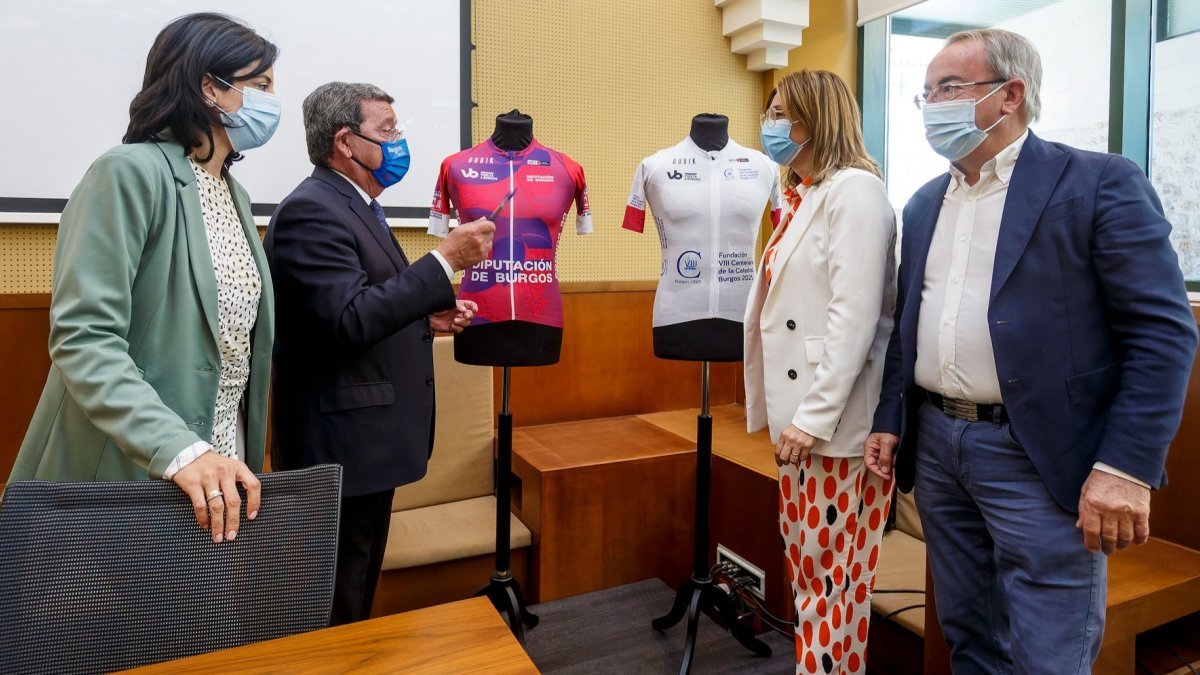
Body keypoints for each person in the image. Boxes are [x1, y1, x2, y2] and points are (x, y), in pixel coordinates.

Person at [864, 29, 1197, 673]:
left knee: (1047, 651)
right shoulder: (925, 202)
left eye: (948, 89)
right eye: (924, 93)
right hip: (936, 446)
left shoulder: (1097, 182)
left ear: (1010, 93)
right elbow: (911, 320)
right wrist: (890, 418)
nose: (932, 105)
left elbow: (1163, 332)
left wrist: (1125, 468)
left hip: (1039, 453)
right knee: (969, 636)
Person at [10, 13, 280, 546]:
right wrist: (182, 450)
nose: (273, 103)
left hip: (218, 476)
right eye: (262, 86)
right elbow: (84, 339)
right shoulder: (128, 172)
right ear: (210, 88)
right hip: (136, 471)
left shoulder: (235, 194)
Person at [265, 82, 494, 625]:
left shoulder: (357, 205)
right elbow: (348, 321)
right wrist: (443, 261)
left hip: (368, 444)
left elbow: (357, 308)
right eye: (387, 132)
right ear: (346, 142)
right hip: (343, 445)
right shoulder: (311, 210)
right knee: (336, 601)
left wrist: (426, 315)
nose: (399, 143)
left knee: (358, 586)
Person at [743, 70, 897, 675]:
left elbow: (854, 318)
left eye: (782, 113)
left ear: (816, 119)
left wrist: (811, 419)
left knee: (836, 585)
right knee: (810, 576)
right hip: (803, 424)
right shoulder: (806, 194)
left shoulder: (855, 192)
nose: (771, 125)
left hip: (835, 428)